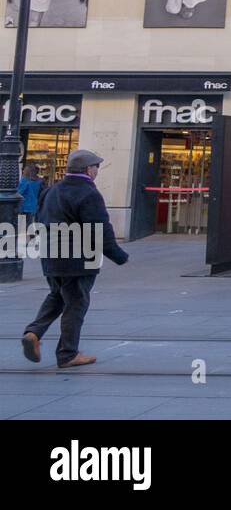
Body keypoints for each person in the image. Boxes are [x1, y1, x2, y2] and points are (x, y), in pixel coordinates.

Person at [21, 148, 129, 369]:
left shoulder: (51, 190)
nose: (98, 170)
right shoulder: (88, 193)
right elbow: (98, 229)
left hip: (50, 255)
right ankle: (68, 354)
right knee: (77, 303)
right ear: (89, 169)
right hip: (77, 258)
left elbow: (39, 220)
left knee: (57, 296)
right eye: (97, 166)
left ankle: (33, 333)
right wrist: (118, 255)